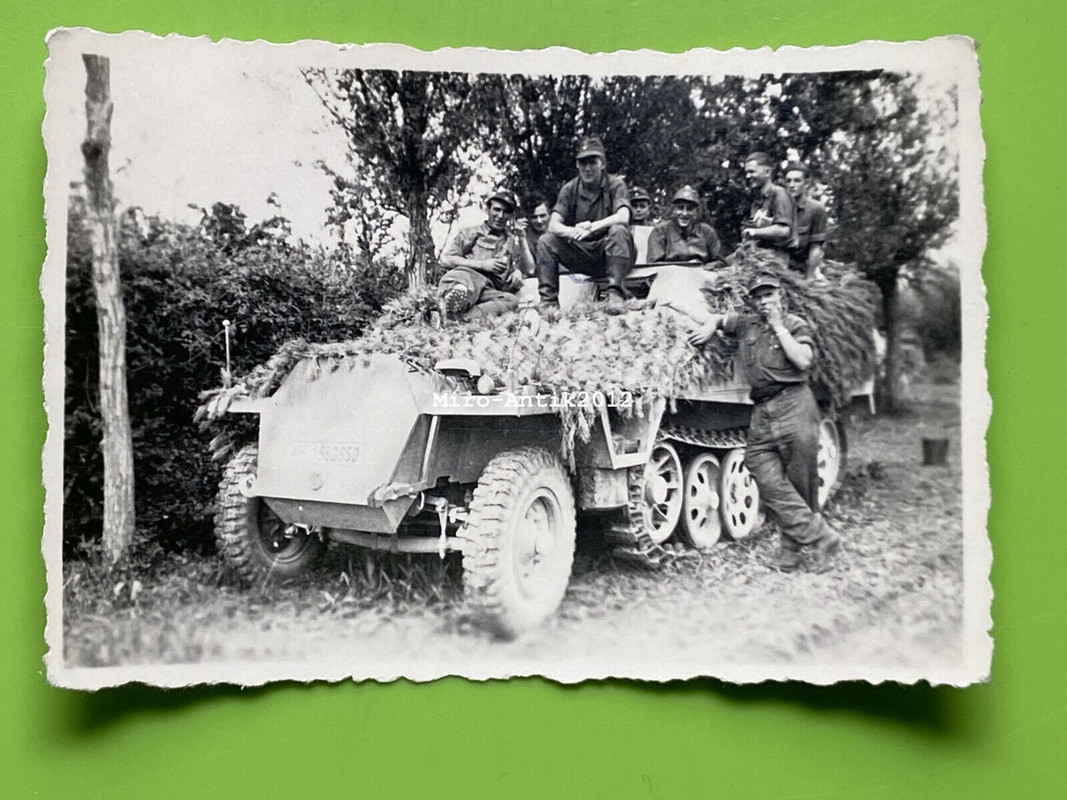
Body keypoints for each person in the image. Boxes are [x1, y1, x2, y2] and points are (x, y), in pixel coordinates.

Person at [686, 272, 842, 572]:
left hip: (794, 404)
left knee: (800, 483)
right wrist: (710, 325)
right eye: (757, 297)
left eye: (768, 295)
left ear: (779, 296)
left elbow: (804, 361)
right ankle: (822, 536)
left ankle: (792, 552)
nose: (763, 301)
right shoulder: (747, 324)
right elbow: (719, 318)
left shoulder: (795, 324)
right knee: (758, 465)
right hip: (763, 409)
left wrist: (778, 327)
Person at [536, 136, 636, 307]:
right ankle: (548, 302)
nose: (587, 168)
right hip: (585, 254)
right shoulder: (569, 189)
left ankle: (615, 293)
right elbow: (553, 225)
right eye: (583, 163)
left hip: (615, 253)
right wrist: (573, 231)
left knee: (618, 230)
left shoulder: (615, 185)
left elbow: (623, 216)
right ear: (577, 165)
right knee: (545, 241)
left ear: (602, 164)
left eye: (592, 162)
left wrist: (592, 227)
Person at [437, 188, 534, 321]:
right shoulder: (470, 232)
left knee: (511, 300)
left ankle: (459, 317)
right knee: (465, 285)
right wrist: (483, 265)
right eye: (497, 209)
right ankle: (455, 302)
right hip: (465, 279)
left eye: (506, 212)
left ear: (511, 216)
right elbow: (446, 259)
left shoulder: (510, 240)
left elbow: (530, 269)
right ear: (487, 210)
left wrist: (522, 240)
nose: (500, 216)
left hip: (487, 291)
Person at [740, 152, 796, 263]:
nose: (748, 176)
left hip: (776, 258)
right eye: (746, 173)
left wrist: (754, 232)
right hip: (756, 255)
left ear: (767, 171)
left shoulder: (779, 194)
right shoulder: (757, 202)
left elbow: (784, 230)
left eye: (752, 172)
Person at [646, 185, 722, 264]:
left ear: (697, 211)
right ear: (674, 210)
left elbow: (719, 261)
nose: (684, 213)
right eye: (680, 208)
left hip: (701, 274)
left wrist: (701, 267)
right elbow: (654, 265)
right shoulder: (660, 231)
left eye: (689, 209)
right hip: (670, 275)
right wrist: (685, 267)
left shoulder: (707, 232)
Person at [783, 161, 828, 278]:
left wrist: (808, 280)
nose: (792, 185)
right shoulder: (778, 207)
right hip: (777, 267)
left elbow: (815, 248)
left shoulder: (816, 209)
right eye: (788, 181)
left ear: (806, 183)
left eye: (797, 180)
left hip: (801, 268)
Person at [524, 199, 552, 273]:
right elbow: (530, 270)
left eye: (542, 216)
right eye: (534, 217)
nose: (539, 221)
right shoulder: (525, 238)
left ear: (550, 215)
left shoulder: (560, 234)